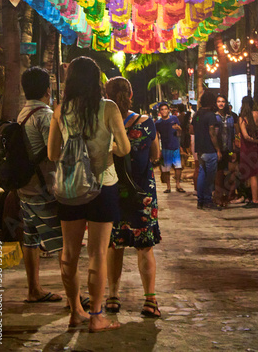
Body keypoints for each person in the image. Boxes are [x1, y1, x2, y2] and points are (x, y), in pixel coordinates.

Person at [48, 57, 130, 331]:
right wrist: (109, 151)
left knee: (69, 254)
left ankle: (75, 311)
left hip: (71, 186)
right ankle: (96, 317)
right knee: (97, 253)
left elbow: (51, 154)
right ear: (97, 80)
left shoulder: (60, 110)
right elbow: (125, 147)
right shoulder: (108, 108)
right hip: (103, 186)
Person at [105, 77, 161, 318]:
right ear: (130, 95)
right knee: (145, 247)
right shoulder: (147, 123)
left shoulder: (104, 123)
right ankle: (150, 300)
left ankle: (113, 297)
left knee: (113, 246)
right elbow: (156, 155)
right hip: (142, 193)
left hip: (112, 190)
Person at [17, 66, 63, 304]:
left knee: (31, 238)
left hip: (25, 187)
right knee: (64, 242)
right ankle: (74, 298)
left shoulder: (22, 112)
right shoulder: (44, 115)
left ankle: (34, 289)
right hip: (44, 188)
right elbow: (54, 153)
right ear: (48, 89)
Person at [192, 90, 222, 210]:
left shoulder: (197, 115)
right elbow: (212, 133)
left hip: (200, 149)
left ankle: (200, 201)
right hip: (210, 150)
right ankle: (208, 200)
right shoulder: (211, 116)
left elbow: (191, 129)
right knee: (210, 178)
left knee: (202, 174)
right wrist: (218, 149)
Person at [155, 102, 185, 193]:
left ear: (169, 110)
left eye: (165, 109)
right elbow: (156, 136)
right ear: (159, 111)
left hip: (175, 146)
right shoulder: (158, 123)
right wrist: (157, 150)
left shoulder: (174, 118)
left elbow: (180, 131)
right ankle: (168, 187)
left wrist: (178, 128)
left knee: (178, 167)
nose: (164, 111)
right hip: (165, 148)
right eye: (162, 109)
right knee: (166, 169)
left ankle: (178, 184)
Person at [238, 95, 258, 208]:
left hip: (247, 148)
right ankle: (255, 197)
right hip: (256, 149)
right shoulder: (257, 114)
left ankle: (254, 200)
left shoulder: (243, 118)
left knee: (251, 174)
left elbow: (245, 136)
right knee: (256, 173)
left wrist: (254, 141)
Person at [214, 95, 236, 206]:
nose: (221, 103)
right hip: (218, 149)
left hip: (228, 149)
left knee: (229, 174)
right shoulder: (214, 117)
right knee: (219, 173)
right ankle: (218, 196)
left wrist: (233, 152)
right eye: (219, 101)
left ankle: (226, 196)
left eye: (223, 101)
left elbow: (232, 136)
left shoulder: (230, 117)